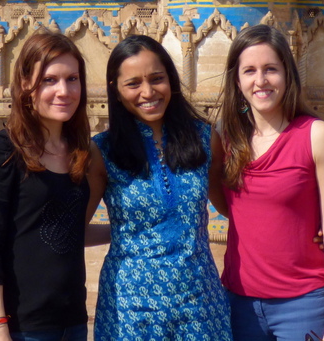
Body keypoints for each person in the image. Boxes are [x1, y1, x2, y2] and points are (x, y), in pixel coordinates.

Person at [88, 34, 231, 341]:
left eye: (157, 79)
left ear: (171, 79)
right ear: (116, 90)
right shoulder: (103, 152)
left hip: (200, 302)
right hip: (130, 309)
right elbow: (70, 230)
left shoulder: (205, 140)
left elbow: (234, 208)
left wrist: (308, 228)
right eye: (133, 83)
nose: (148, 92)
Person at [218, 24, 324, 341]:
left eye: (270, 70)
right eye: (249, 71)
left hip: (303, 303)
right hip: (240, 305)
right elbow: (231, 209)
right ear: (237, 81)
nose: (260, 81)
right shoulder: (225, 141)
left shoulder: (316, 137)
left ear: (287, 75)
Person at [0, 31, 93, 341]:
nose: (63, 90)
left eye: (72, 79)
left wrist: (129, 229)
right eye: (49, 80)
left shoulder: (80, 151)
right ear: (26, 85)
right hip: (22, 327)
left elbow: (64, 230)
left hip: (73, 324)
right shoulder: (1, 151)